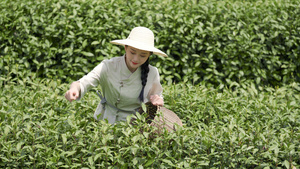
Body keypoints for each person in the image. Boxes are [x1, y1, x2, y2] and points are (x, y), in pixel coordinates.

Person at [64, 26, 168, 124]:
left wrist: (157, 100)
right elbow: (84, 82)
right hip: (104, 119)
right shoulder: (108, 66)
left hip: (133, 124)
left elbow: (157, 96)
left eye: (143, 55)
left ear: (149, 55)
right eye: (132, 52)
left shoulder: (152, 73)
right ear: (125, 48)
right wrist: (74, 89)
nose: (136, 59)